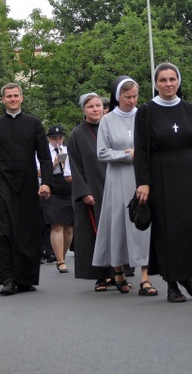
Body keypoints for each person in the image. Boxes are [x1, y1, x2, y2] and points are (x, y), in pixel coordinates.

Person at [134, 63, 192, 303]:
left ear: (178, 81)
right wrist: (143, 182)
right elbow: (141, 151)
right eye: (163, 80)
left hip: (189, 173)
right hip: (160, 174)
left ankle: (186, 276)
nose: (168, 84)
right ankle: (172, 284)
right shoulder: (146, 111)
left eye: (172, 79)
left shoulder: (191, 110)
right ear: (155, 84)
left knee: (191, 228)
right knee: (168, 230)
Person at [0, 83, 53, 295]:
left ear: (22, 98)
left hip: (28, 182)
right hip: (2, 182)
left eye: (15, 96)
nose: (12, 99)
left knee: (27, 229)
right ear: (3, 100)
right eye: (8, 96)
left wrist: (46, 182)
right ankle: (7, 278)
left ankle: (25, 278)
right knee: (2, 229)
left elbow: (45, 157)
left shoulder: (34, 123)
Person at [93, 76, 152, 295]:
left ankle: (145, 277)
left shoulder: (144, 115)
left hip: (141, 176)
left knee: (144, 223)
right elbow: (102, 152)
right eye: (127, 97)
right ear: (118, 97)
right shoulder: (107, 120)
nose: (132, 101)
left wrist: (141, 156)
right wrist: (128, 155)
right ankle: (118, 270)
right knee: (117, 223)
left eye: (135, 96)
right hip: (117, 177)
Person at [67, 93, 113, 291]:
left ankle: (118, 274)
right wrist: (84, 191)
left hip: (113, 186)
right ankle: (100, 276)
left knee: (116, 232)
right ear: (83, 110)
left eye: (98, 106)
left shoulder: (111, 127)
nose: (95, 109)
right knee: (95, 235)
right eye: (91, 106)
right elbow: (75, 167)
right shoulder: (77, 135)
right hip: (92, 190)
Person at [41, 125, 74, 273]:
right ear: (49, 138)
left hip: (67, 186)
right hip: (52, 185)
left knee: (68, 228)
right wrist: (53, 164)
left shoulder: (68, 150)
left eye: (59, 138)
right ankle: (60, 260)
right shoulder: (43, 152)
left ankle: (63, 255)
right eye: (54, 138)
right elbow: (37, 172)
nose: (57, 141)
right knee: (57, 225)